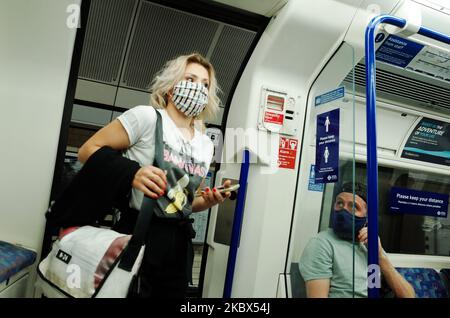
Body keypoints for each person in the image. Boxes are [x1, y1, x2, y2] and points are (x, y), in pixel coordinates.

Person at [77, 53, 232, 298]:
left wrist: (208, 201)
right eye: (190, 79)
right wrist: (132, 173)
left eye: (205, 84)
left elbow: (184, 201)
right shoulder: (146, 118)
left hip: (179, 242)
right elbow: (87, 151)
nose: (198, 89)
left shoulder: (206, 144)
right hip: (138, 231)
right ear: (171, 87)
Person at [299, 182, 415, 298]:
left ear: (367, 217)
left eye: (353, 206)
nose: (343, 210)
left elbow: (408, 296)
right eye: (339, 203)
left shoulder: (370, 244)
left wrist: (380, 256)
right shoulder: (322, 244)